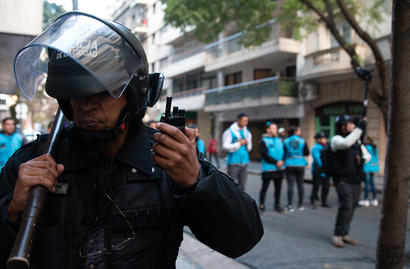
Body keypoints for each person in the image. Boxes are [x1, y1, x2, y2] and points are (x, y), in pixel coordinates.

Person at [0, 12, 263, 268]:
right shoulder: (34, 162)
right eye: (76, 94)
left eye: (101, 93)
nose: (87, 106)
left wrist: (196, 182)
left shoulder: (169, 159)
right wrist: (12, 211)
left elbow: (243, 238)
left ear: (134, 94)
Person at [331, 115, 370, 248]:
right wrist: (360, 128)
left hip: (355, 179)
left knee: (352, 207)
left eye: (354, 124)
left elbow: (367, 156)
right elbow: (345, 143)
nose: (353, 126)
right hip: (342, 180)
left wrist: (362, 159)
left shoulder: (356, 142)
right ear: (342, 126)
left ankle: (344, 233)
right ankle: (337, 234)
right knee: (346, 205)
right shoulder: (337, 139)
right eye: (350, 124)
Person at [259, 122, 286, 213]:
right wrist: (276, 162)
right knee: (265, 188)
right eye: (273, 128)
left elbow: (285, 152)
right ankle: (262, 205)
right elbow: (264, 155)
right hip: (268, 169)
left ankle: (277, 206)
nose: (276, 130)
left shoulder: (280, 140)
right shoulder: (263, 141)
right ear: (268, 130)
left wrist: (282, 161)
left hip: (279, 169)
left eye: (276, 128)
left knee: (278, 188)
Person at [222, 113, 252, 192]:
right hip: (233, 162)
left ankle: (239, 203)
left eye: (247, 121)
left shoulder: (247, 132)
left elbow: (249, 148)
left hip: (245, 162)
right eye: (244, 121)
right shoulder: (229, 131)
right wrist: (239, 143)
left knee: (242, 186)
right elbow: (225, 146)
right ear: (238, 120)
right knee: (231, 186)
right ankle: (230, 203)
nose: (246, 123)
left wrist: (247, 143)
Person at [284, 126, 309, 212]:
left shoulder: (286, 141)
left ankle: (290, 205)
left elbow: (284, 152)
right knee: (300, 184)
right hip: (300, 164)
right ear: (296, 132)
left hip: (289, 163)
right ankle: (300, 204)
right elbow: (306, 152)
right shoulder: (302, 141)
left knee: (290, 185)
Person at [310, 131, 331, 209]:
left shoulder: (327, 147)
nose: (324, 139)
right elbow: (317, 158)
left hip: (326, 170)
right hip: (318, 169)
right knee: (316, 186)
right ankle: (313, 199)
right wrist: (323, 167)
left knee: (326, 186)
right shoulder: (316, 147)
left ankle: (324, 201)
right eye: (322, 138)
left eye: (324, 138)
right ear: (318, 139)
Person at [358, 136, 379, 207]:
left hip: (367, 167)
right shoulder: (375, 148)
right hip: (373, 168)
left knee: (367, 184)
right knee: (372, 184)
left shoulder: (366, 148)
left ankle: (366, 199)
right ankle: (374, 199)